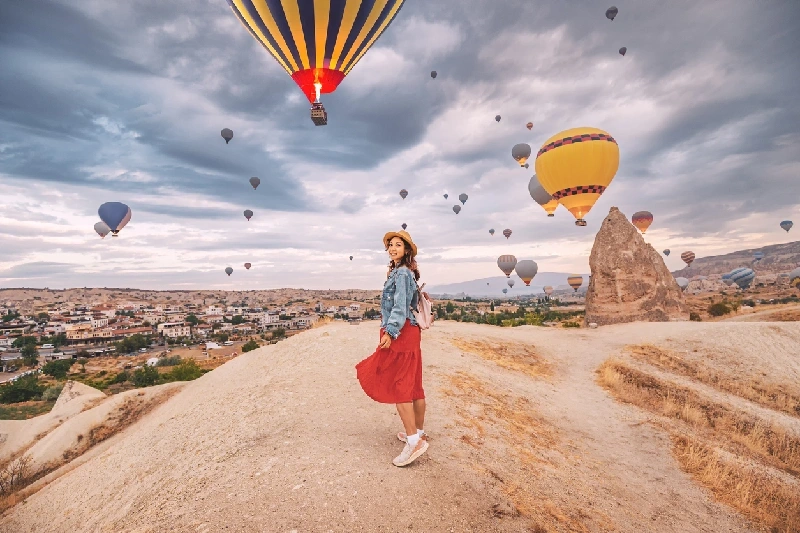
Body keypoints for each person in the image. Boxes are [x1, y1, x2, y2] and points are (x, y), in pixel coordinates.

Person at [355, 230, 428, 467]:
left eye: (398, 245)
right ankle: (418, 432)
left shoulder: (403, 274)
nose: (393, 248)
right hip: (409, 332)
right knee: (414, 384)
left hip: (402, 332)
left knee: (400, 387)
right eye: (390, 245)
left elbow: (399, 306)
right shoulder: (401, 272)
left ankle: (414, 441)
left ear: (407, 250)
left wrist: (390, 332)